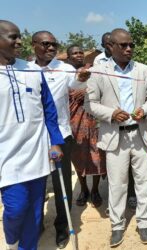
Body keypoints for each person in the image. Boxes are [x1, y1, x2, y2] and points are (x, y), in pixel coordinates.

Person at [84, 28, 147, 247]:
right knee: (117, 184)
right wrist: (110, 114)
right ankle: (117, 226)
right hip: (115, 136)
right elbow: (90, 104)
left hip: (140, 133)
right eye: (123, 45)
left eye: (131, 45)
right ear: (111, 47)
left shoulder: (144, 70)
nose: (129, 49)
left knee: (144, 183)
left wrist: (144, 110)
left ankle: (144, 223)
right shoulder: (98, 71)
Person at [0, 20, 64, 250]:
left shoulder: (33, 71)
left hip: (37, 152)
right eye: (12, 37)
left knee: (35, 212)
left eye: (19, 37)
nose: (19, 41)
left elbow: (49, 110)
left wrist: (56, 142)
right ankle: (11, 241)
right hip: (5, 157)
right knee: (16, 209)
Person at [31, 31, 87, 249]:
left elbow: (77, 86)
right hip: (33, 138)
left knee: (60, 183)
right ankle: (36, 224)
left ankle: (62, 227)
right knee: (36, 183)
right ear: (33, 45)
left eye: (54, 44)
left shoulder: (65, 69)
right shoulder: (26, 69)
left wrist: (81, 79)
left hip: (60, 136)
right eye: (45, 44)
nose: (51, 47)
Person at [66, 45, 106, 208]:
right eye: (74, 53)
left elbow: (102, 91)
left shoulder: (93, 72)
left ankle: (95, 190)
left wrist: (87, 92)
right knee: (78, 156)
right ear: (68, 58)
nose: (78, 55)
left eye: (80, 52)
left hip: (94, 119)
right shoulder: (64, 73)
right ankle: (84, 189)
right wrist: (75, 92)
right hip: (74, 120)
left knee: (98, 155)